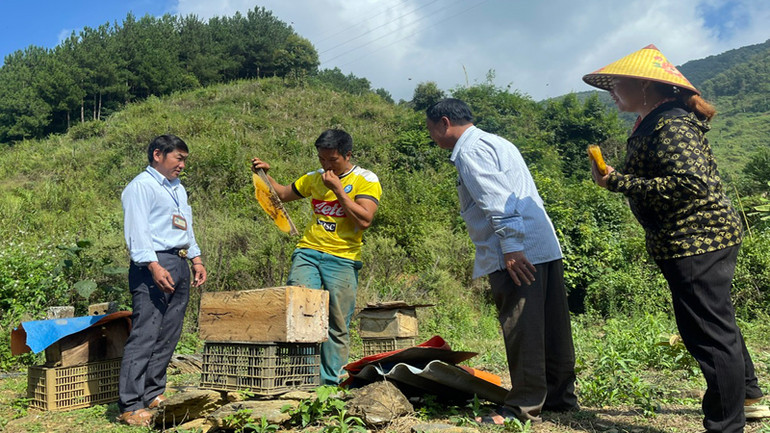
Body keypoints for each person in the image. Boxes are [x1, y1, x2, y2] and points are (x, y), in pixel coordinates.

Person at [583, 44, 764, 433]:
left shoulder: (671, 124)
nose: (612, 90)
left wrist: (617, 181)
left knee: (708, 334)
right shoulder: (654, 121)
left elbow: (692, 183)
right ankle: (747, 395)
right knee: (716, 324)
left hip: (698, 240)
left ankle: (726, 425)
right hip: (692, 240)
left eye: (617, 83)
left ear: (645, 84)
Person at [425, 98, 577, 424]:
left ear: (444, 122)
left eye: (431, 130)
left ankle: (522, 409)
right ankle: (560, 399)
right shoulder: (497, 142)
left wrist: (511, 247)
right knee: (552, 328)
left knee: (523, 328)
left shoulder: (469, 151)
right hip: (543, 243)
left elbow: (498, 200)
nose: (433, 138)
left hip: (517, 250)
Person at [250, 129, 381, 385]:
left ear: (347, 155)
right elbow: (282, 194)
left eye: (333, 160)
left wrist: (339, 190)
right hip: (308, 252)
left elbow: (365, 219)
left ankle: (331, 384)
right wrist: (265, 173)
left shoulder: (366, 179)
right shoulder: (314, 178)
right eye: (322, 159)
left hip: (343, 258)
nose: (326, 165)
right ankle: (302, 379)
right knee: (300, 313)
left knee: (337, 323)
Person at [118, 134, 207, 426]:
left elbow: (185, 224)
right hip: (152, 264)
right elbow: (137, 232)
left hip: (178, 261)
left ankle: (154, 392)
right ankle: (130, 404)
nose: (182, 165)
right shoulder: (140, 187)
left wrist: (195, 258)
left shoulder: (177, 188)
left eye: (184, 160)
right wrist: (154, 266)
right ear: (158, 154)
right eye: (178, 158)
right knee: (145, 333)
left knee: (169, 332)